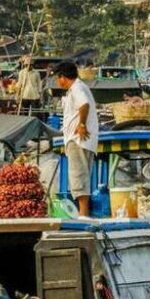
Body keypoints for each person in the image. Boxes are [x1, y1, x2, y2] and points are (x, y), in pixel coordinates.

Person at [52, 60, 98, 217]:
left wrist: (82, 125)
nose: (58, 82)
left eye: (58, 78)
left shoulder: (77, 88)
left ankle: (83, 214)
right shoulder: (77, 88)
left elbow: (84, 105)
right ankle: (83, 212)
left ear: (63, 77)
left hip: (78, 139)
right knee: (81, 175)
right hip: (79, 140)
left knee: (78, 176)